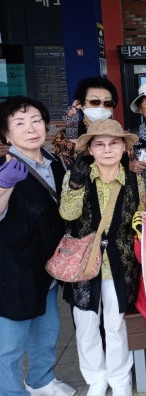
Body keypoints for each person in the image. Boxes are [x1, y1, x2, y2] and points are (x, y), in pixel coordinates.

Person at [59, 120, 144, 396]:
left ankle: (120, 377)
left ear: (124, 147)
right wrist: (74, 185)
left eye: (114, 143)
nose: (107, 149)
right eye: (100, 144)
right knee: (86, 323)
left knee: (116, 323)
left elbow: (139, 216)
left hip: (120, 261)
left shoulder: (134, 180)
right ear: (90, 149)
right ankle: (96, 377)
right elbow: (67, 215)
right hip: (84, 261)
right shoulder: (77, 176)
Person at [0, 96, 75, 396]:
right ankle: (10, 391)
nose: (30, 128)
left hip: (47, 267)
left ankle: (41, 380)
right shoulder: (3, 167)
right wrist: (4, 187)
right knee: (10, 342)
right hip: (13, 269)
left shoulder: (57, 163)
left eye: (35, 120)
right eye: (19, 123)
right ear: (6, 134)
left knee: (47, 330)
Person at [63, 77, 119, 141]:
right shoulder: (64, 136)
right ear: (80, 104)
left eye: (108, 103)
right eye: (94, 101)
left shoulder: (121, 135)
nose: (101, 107)